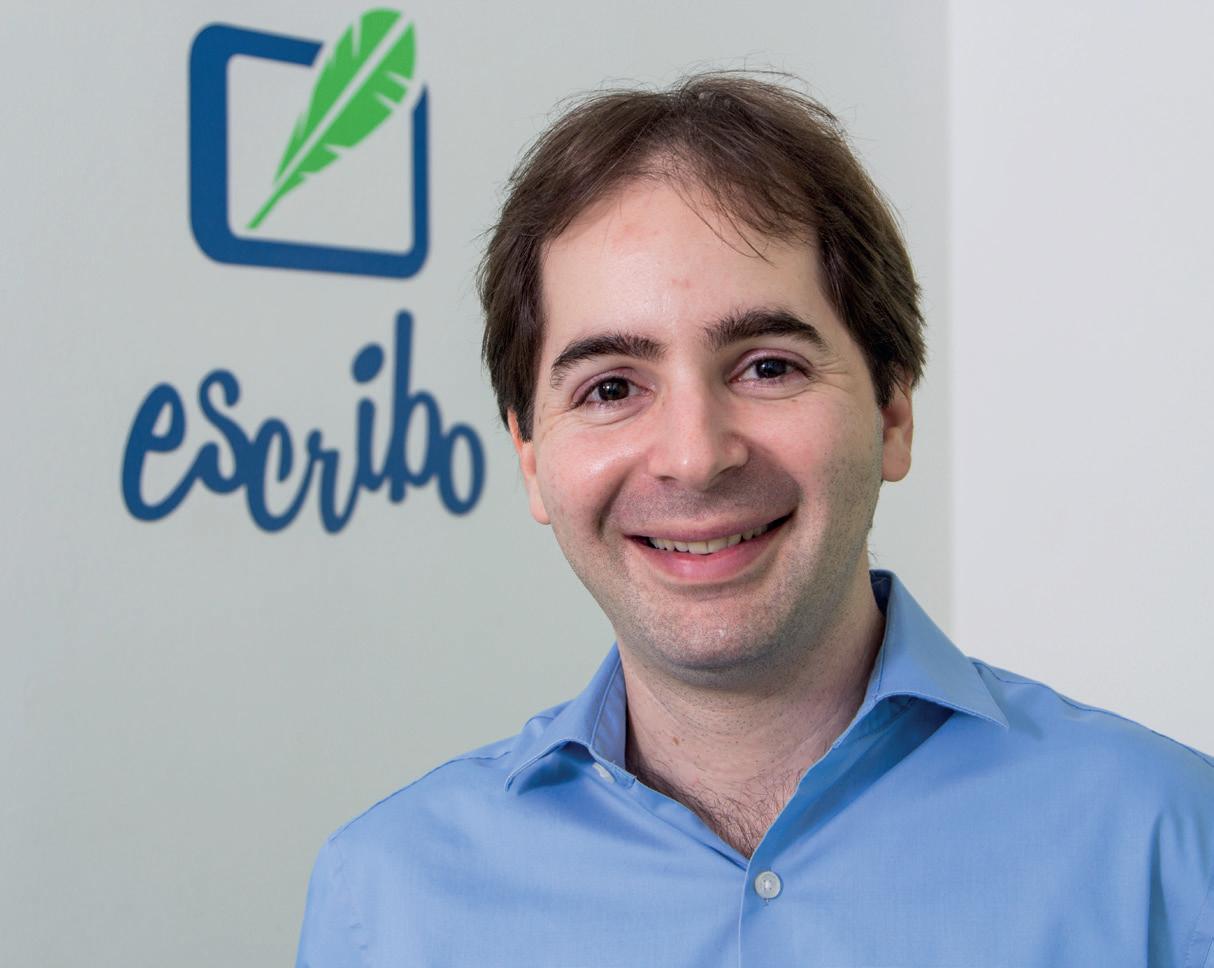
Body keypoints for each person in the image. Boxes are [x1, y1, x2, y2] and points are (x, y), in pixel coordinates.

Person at [295, 74, 1214, 967]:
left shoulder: (1167, 840)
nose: (694, 456)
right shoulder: (386, 903)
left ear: (894, 414)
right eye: (611, 388)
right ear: (532, 457)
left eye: (768, 367)